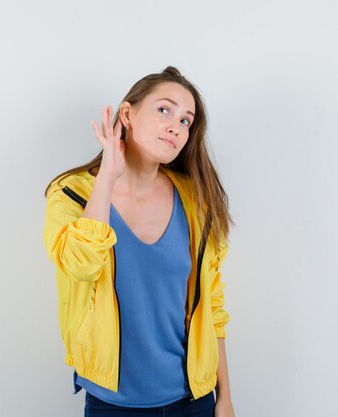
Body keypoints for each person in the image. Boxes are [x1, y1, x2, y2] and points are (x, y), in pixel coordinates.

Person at [42, 66, 236, 417]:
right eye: (165, 110)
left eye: (186, 121)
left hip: (194, 401)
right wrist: (107, 178)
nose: (176, 126)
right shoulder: (71, 193)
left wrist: (225, 398)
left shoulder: (196, 202)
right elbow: (80, 266)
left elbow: (213, 308)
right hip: (113, 406)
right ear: (128, 114)